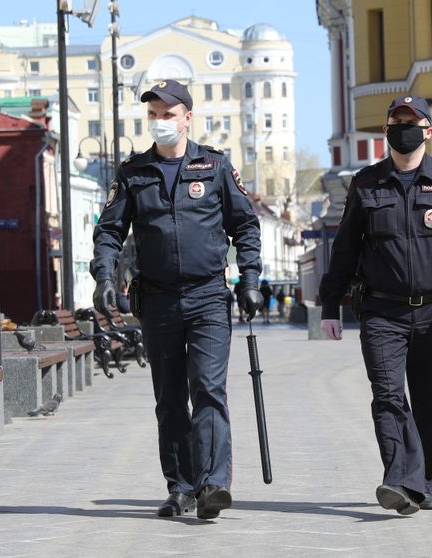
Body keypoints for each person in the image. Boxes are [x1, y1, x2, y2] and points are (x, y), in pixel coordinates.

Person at [90, 79, 263, 520]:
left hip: (207, 295)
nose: (160, 122)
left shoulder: (216, 166)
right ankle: (181, 487)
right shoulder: (134, 173)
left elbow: (245, 225)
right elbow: (110, 231)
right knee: (169, 399)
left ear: (187, 117)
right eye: (153, 115)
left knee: (208, 390)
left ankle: (213, 484)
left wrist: (250, 279)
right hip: (159, 300)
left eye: (168, 114)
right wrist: (105, 275)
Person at [319, 95, 432, 515]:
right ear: (386, 131)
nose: (403, 128)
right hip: (382, 311)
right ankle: (400, 480)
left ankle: (427, 482)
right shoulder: (366, 185)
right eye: (396, 121)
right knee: (388, 396)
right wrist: (329, 305)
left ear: (428, 131)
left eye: (411, 122)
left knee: (429, 405)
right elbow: (343, 251)